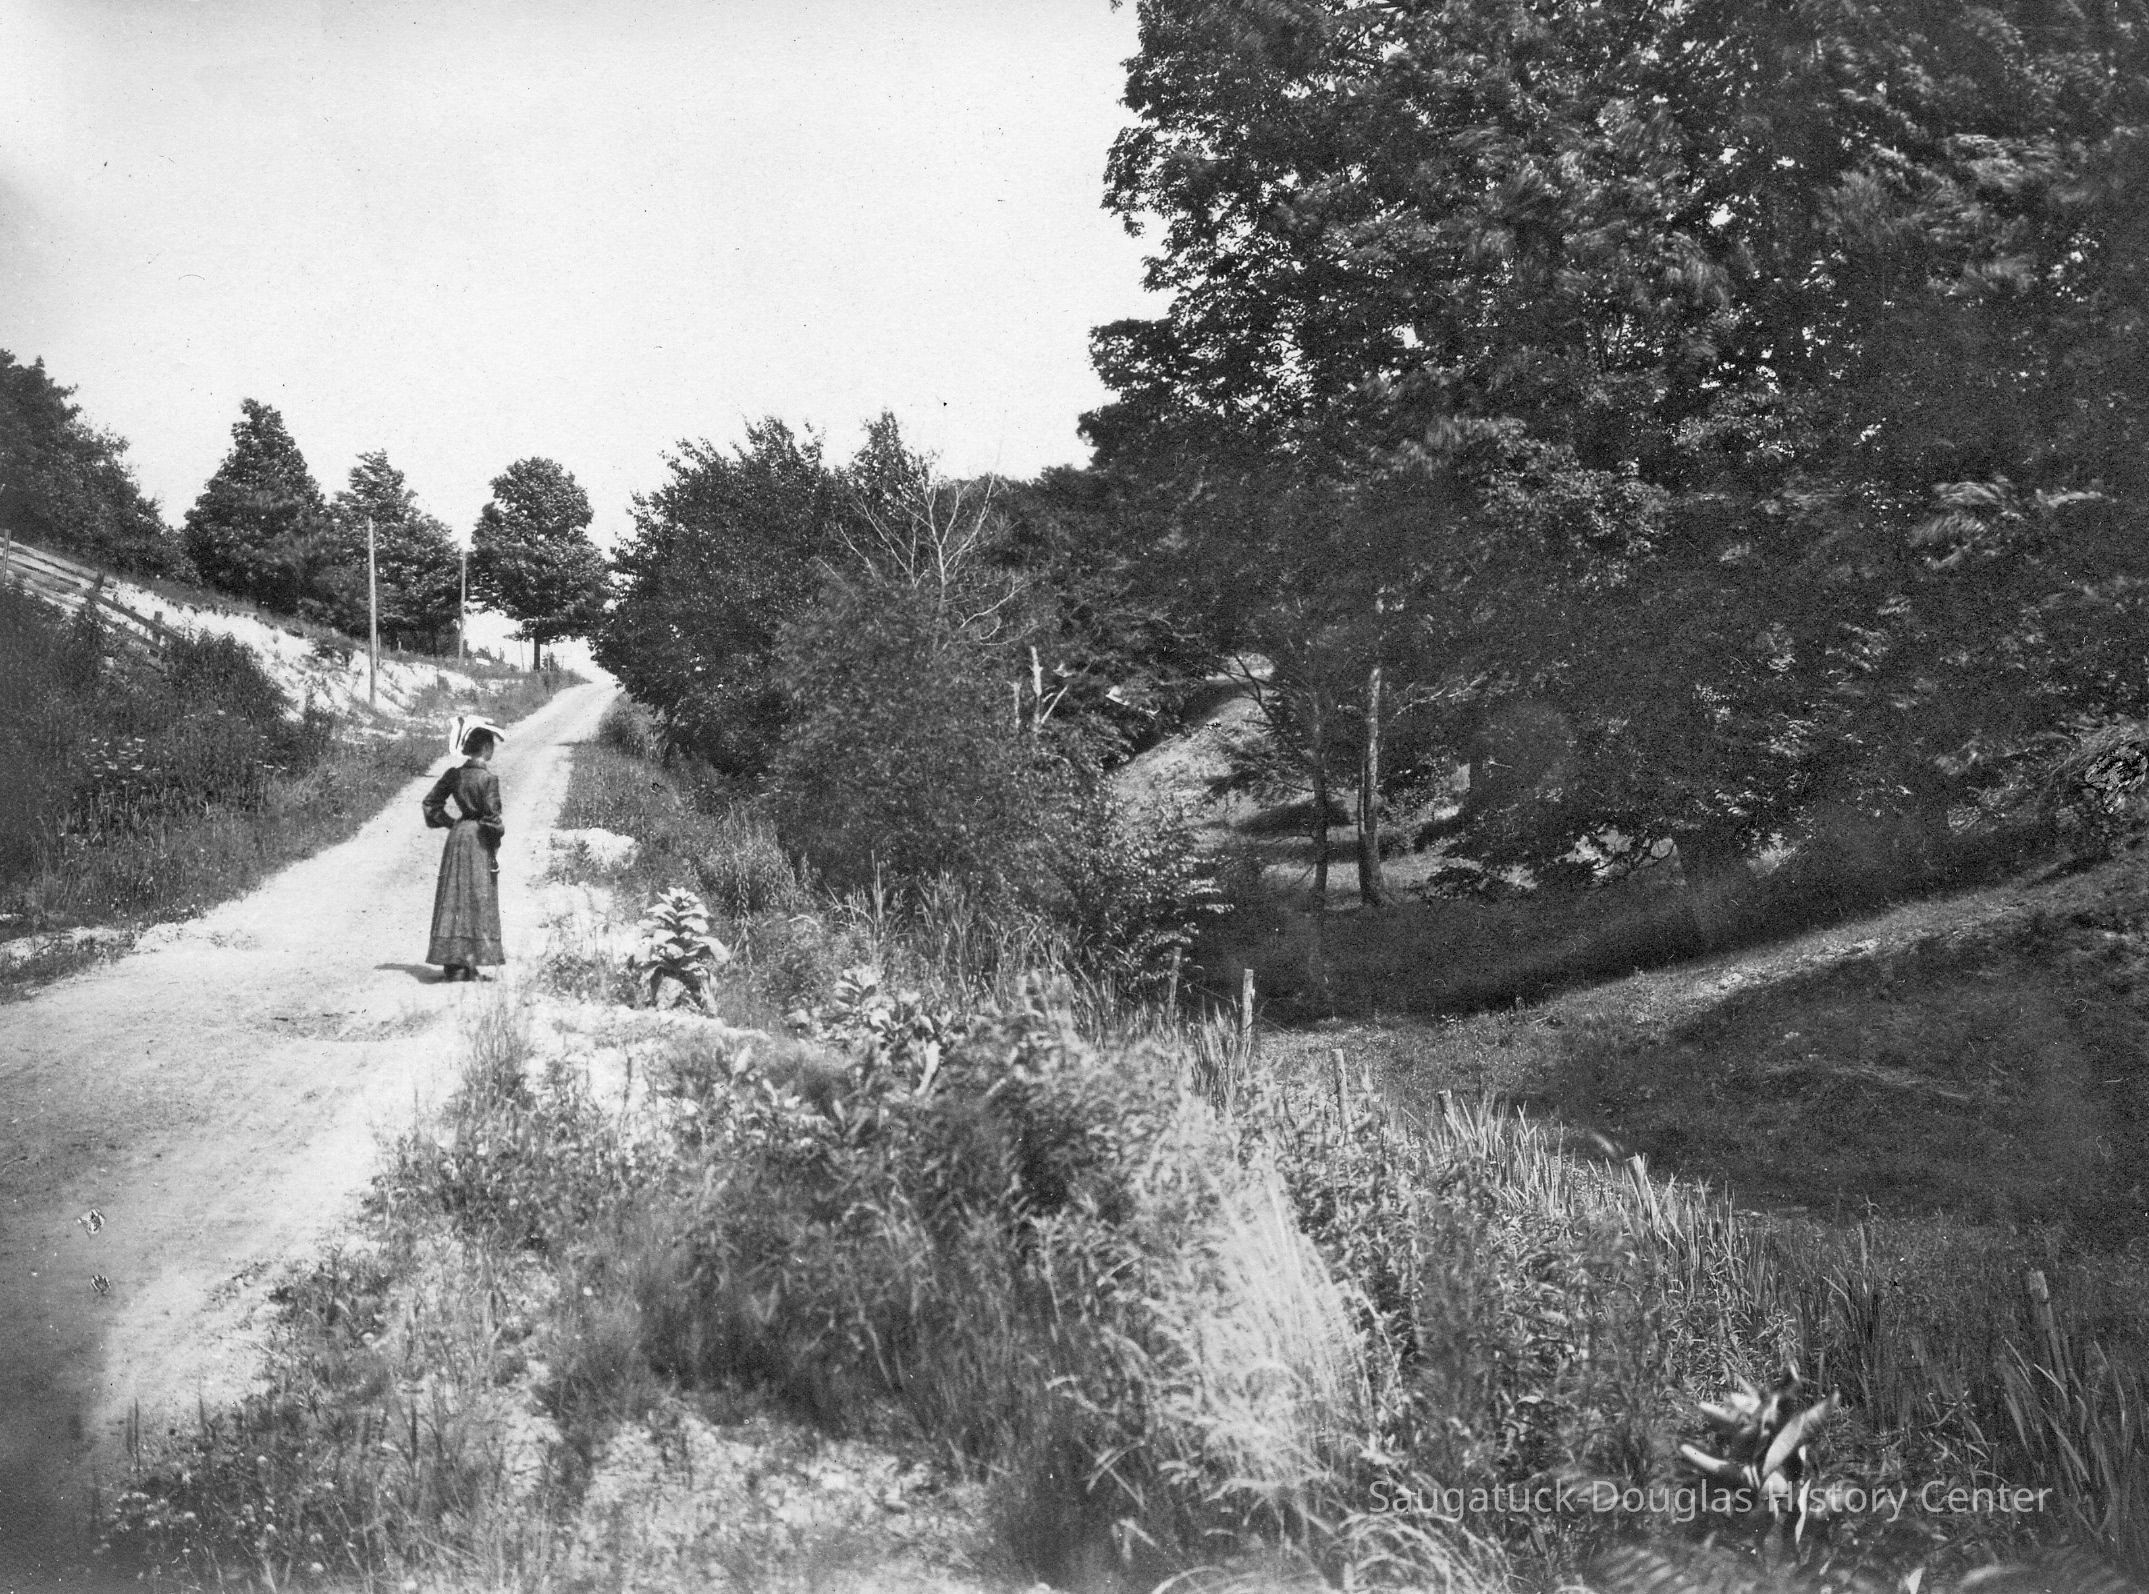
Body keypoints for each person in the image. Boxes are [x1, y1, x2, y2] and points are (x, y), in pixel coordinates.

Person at [422, 719, 507, 982]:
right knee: (478, 896)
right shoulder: (488, 779)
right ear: (484, 748)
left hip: (458, 837)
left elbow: (430, 804)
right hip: (478, 840)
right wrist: (495, 842)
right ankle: (470, 962)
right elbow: (492, 819)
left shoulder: (453, 775)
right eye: (490, 745)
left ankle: (454, 965)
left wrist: (451, 823)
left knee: (453, 896)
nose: (492, 750)